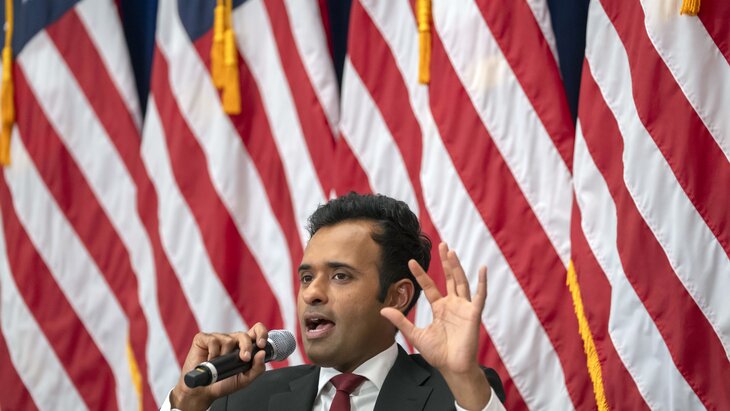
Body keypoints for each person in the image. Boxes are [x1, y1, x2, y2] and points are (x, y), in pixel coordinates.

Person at [163, 193, 506, 410]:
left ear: (397, 296)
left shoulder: (459, 393)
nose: (311, 293)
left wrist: (463, 378)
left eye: (340, 276)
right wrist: (187, 401)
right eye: (306, 277)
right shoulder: (242, 399)